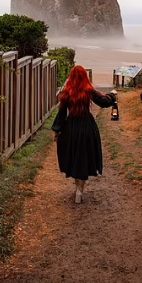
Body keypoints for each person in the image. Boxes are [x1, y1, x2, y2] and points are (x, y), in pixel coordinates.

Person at [51, 65, 118, 203]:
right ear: (84, 77)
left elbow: (62, 114)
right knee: (84, 157)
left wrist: (57, 131)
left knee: (75, 156)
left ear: (71, 77)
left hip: (71, 128)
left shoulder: (66, 93)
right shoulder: (89, 91)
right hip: (87, 127)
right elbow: (104, 102)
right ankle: (80, 191)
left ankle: (77, 190)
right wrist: (112, 95)